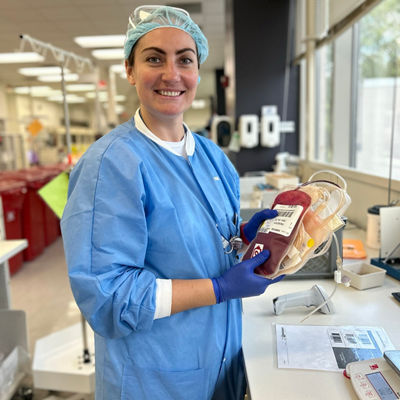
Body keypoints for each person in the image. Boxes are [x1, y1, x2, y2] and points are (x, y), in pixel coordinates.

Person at [61, 5, 283, 400]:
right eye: (153, 58)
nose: (171, 74)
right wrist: (219, 288)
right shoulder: (111, 164)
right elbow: (109, 297)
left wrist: (244, 236)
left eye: (185, 59)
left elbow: (207, 241)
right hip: (156, 377)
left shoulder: (213, 157)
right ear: (130, 71)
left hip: (222, 360)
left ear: (198, 71)